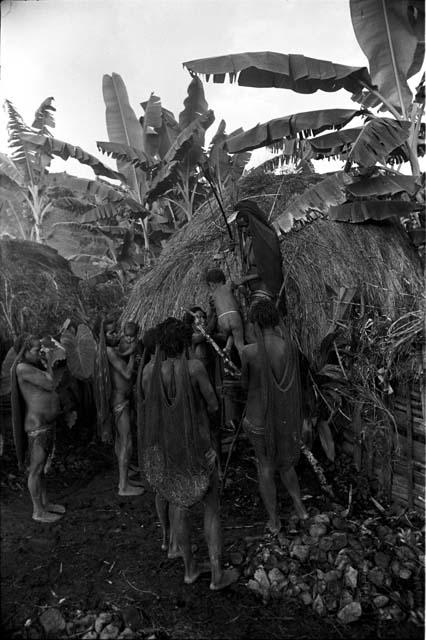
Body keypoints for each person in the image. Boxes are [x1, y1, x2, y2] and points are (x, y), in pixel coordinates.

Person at [141, 319, 239, 590]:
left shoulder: (150, 370)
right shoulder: (194, 367)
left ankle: (190, 569)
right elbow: (212, 404)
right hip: (198, 447)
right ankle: (217, 575)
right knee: (211, 507)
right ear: (185, 342)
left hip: (169, 449)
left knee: (179, 506)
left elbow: (150, 407)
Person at [240, 300, 308, 533]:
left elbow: (244, 385)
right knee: (286, 464)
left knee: (266, 467)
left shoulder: (248, 352)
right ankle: (300, 508)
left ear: (256, 323)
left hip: (258, 419)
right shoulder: (289, 347)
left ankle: (274, 521)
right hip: (285, 417)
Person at [12, 335, 65, 523]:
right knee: (35, 469)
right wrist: (49, 361)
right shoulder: (22, 368)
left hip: (46, 425)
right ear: (24, 352)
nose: (41, 352)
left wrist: (44, 360)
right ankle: (37, 511)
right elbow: (50, 383)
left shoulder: (33, 366)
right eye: (36, 350)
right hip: (37, 426)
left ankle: (45, 503)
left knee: (41, 469)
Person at [107, 321, 144, 496]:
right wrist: (133, 354)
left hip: (125, 398)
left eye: (132, 336)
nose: (127, 339)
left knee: (123, 439)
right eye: (125, 335)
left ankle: (126, 476)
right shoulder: (109, 351)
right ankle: (123, 486)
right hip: (119, 401)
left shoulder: (119, 347)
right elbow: (127, 373)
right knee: (126, 440)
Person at [205, 268, 245, 356]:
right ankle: (243, 361)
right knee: (240, 344)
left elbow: (209, 315)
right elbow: (242, 280)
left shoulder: (212, 296)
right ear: (223, 280)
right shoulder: (228, 285)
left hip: (222, 322)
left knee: (230, 333)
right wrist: (256, 275)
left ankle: (227, 347)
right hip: (234, 316)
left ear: (211, 284)